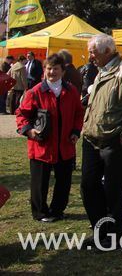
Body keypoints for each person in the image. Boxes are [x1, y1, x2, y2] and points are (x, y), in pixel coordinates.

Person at [80, 34, 122, 249]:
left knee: (114, 191)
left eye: (93, 52)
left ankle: (115, 237)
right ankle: (100, 234)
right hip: (92, 141)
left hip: (114, 143)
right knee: (88, 187)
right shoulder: (101, 72)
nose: (91, 57)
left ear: (107, 51)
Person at [15, 54, 83, 222]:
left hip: (65, 145)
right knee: (40, 182)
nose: (52, 72)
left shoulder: (71, 90)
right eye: (49, 68)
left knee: (63, 181)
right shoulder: (35, 91)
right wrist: (28, 130)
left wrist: (76, 131)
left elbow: (78, 113)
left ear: (63, 71)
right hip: (41, 146)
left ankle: (57, 210)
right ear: (44, 70)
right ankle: (40, 212)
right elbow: (21, 114)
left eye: (55, 68)